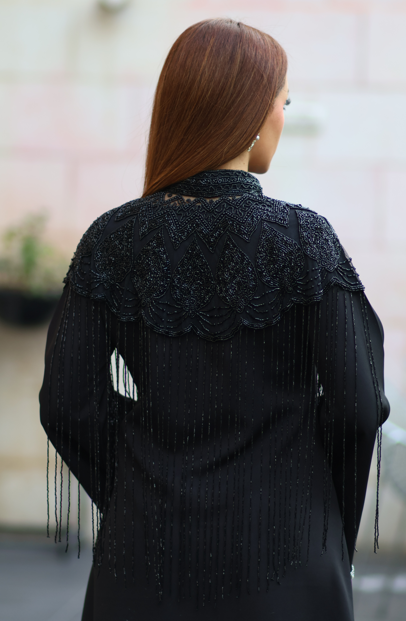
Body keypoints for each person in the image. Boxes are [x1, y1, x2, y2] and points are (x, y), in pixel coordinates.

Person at [39, 18, 389, 621]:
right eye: (283, 102)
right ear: (250, 115)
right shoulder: (305, 240)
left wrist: (140, 485)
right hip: (290, 564)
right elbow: (358, 405)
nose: (283, 117)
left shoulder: (110, 240)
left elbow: (68, 403)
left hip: (143, 563)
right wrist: (321, 513)